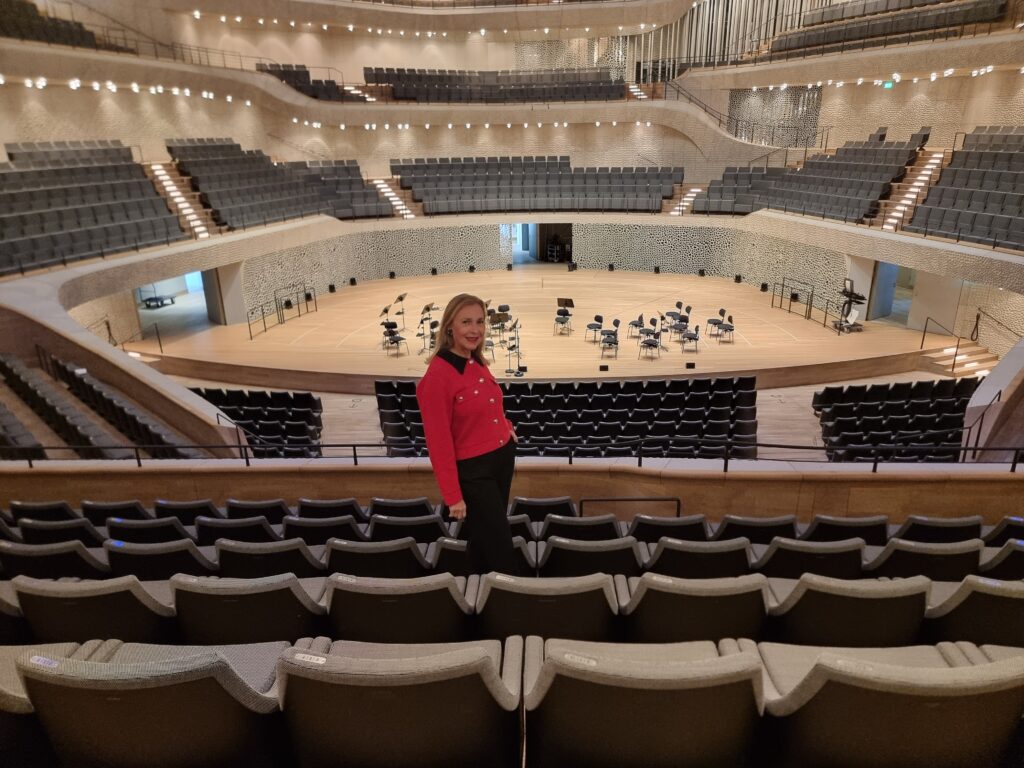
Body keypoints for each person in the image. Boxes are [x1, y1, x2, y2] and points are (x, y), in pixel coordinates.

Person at [416, 293, 519, 574]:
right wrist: (453, 496)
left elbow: (488, 403)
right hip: (475, 473)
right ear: (450, 326)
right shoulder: (437, 377)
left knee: (483, 535)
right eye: (466, 322)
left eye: (480, 322)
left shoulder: (475, 360)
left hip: (501, 459)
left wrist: (505, 427)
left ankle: (472, 585)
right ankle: (514, 602)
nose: (475, 330)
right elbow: (439, 443)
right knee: (500, 544)